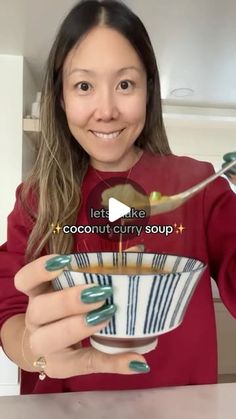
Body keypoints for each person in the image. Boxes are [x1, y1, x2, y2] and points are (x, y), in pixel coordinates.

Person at [0, 0, 236, 395]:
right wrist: (31, 349)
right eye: (84, 86)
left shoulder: (201, 185)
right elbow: (8, 309)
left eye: (125, 84)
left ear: (148, 91)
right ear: (61, 97)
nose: (106, 110)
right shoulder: (34, 199)